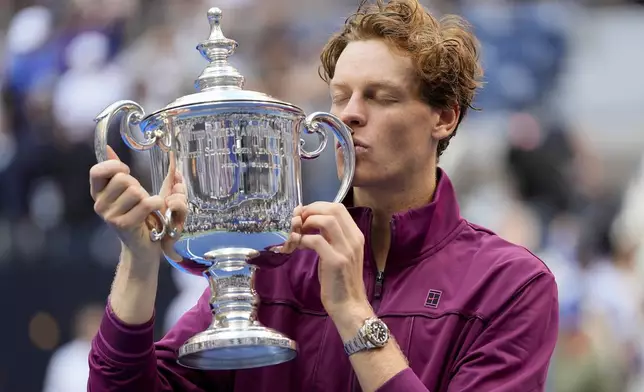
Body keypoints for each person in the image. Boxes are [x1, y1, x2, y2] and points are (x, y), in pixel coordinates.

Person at [87, 0, 559, 391]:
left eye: (380, 97)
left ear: (444, 118)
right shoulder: (274, 267)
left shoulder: (510, 286)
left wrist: (353, 312)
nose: (349, 115)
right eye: (340, 96)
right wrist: (138, 261)